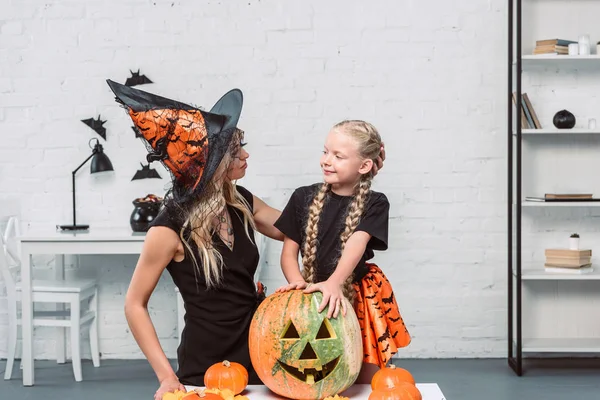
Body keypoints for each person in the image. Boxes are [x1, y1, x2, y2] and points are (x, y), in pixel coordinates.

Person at [106, 80, 283, 400]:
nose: (245, 154)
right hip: (207, 369)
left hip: (260, 357)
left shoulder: (240, 200)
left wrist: (346, 193)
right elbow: (134, 304)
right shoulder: (168, 229)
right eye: (235, 150)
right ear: (212, 166)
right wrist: (166, 376)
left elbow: (288, 227)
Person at [274, 120, 410, 383]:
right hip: (310, 294)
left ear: (364, 166)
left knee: (363, 379)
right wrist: (297, 285)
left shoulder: (376, 203)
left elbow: (356, 244)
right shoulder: (302, 197)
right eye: (325, 151)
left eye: (338, 156)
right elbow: (289, 253)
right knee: (315, 374)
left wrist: (335, 283)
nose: (326, 160)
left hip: (356, 295)